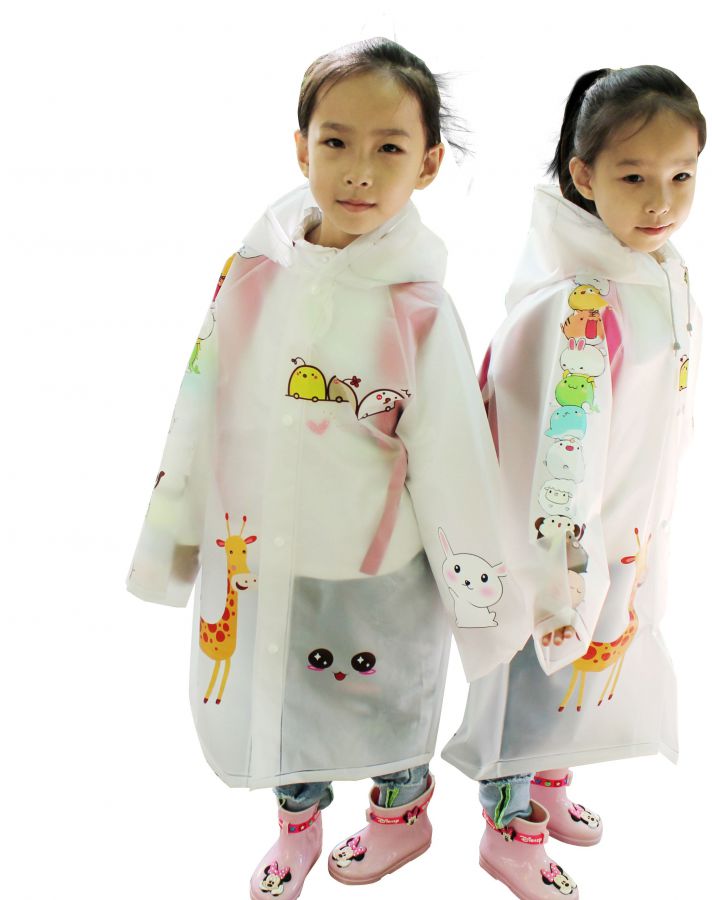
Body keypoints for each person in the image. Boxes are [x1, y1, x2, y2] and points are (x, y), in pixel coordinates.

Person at [125, 38, 536, 899]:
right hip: (264, 546)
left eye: (389, 147)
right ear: (301, 147)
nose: (358, 170)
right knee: (279, 701)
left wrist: (482, 602)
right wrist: (178, 536)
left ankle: (400, 813)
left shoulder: (419, 310)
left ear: (428, 164)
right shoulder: (253, 275)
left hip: (376, 562)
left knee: (385, 696)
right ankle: (298, 826)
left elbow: (454, 458)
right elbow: (201, 403)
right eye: (336, 141)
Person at [442, 65, 707, 900]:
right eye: (634, 177)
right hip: (560, 545)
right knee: (536, 680)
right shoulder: (582, 302)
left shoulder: (655, 271)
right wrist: (562, 572)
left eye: (681, 176)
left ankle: (553, 781)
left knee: (589, 670)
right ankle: (509, 830)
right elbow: (560, 456)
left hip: (624, 526)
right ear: (584, 176)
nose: (661, 201)